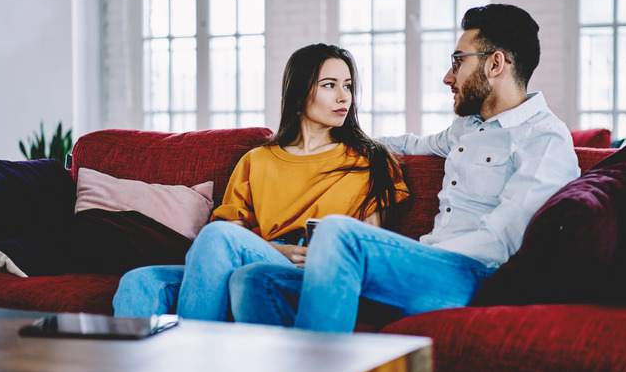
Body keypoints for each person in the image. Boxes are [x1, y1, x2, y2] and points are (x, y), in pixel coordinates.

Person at [227, 3, 581, 332]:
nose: (448, 76)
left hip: (477, 277)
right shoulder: (469, 127)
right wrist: (338, 143)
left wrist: (418, 254)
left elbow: (503, 241)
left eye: (458, 61)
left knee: (337, 232)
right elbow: (411, 145)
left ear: (495, 64)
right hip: (426, 268)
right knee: (255, 279)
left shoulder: (545, 140)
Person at [112, 43, 409, 321]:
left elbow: (368, 247)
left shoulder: (370, 161)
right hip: (258, 254)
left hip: (314, 269)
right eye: (329, 85)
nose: (344, 97)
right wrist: (277, 251)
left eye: (348, 86)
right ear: (297, 94)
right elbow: (232, 233)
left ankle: (195, 356)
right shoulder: (257, 160)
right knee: (138, 282)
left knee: (219, 238)